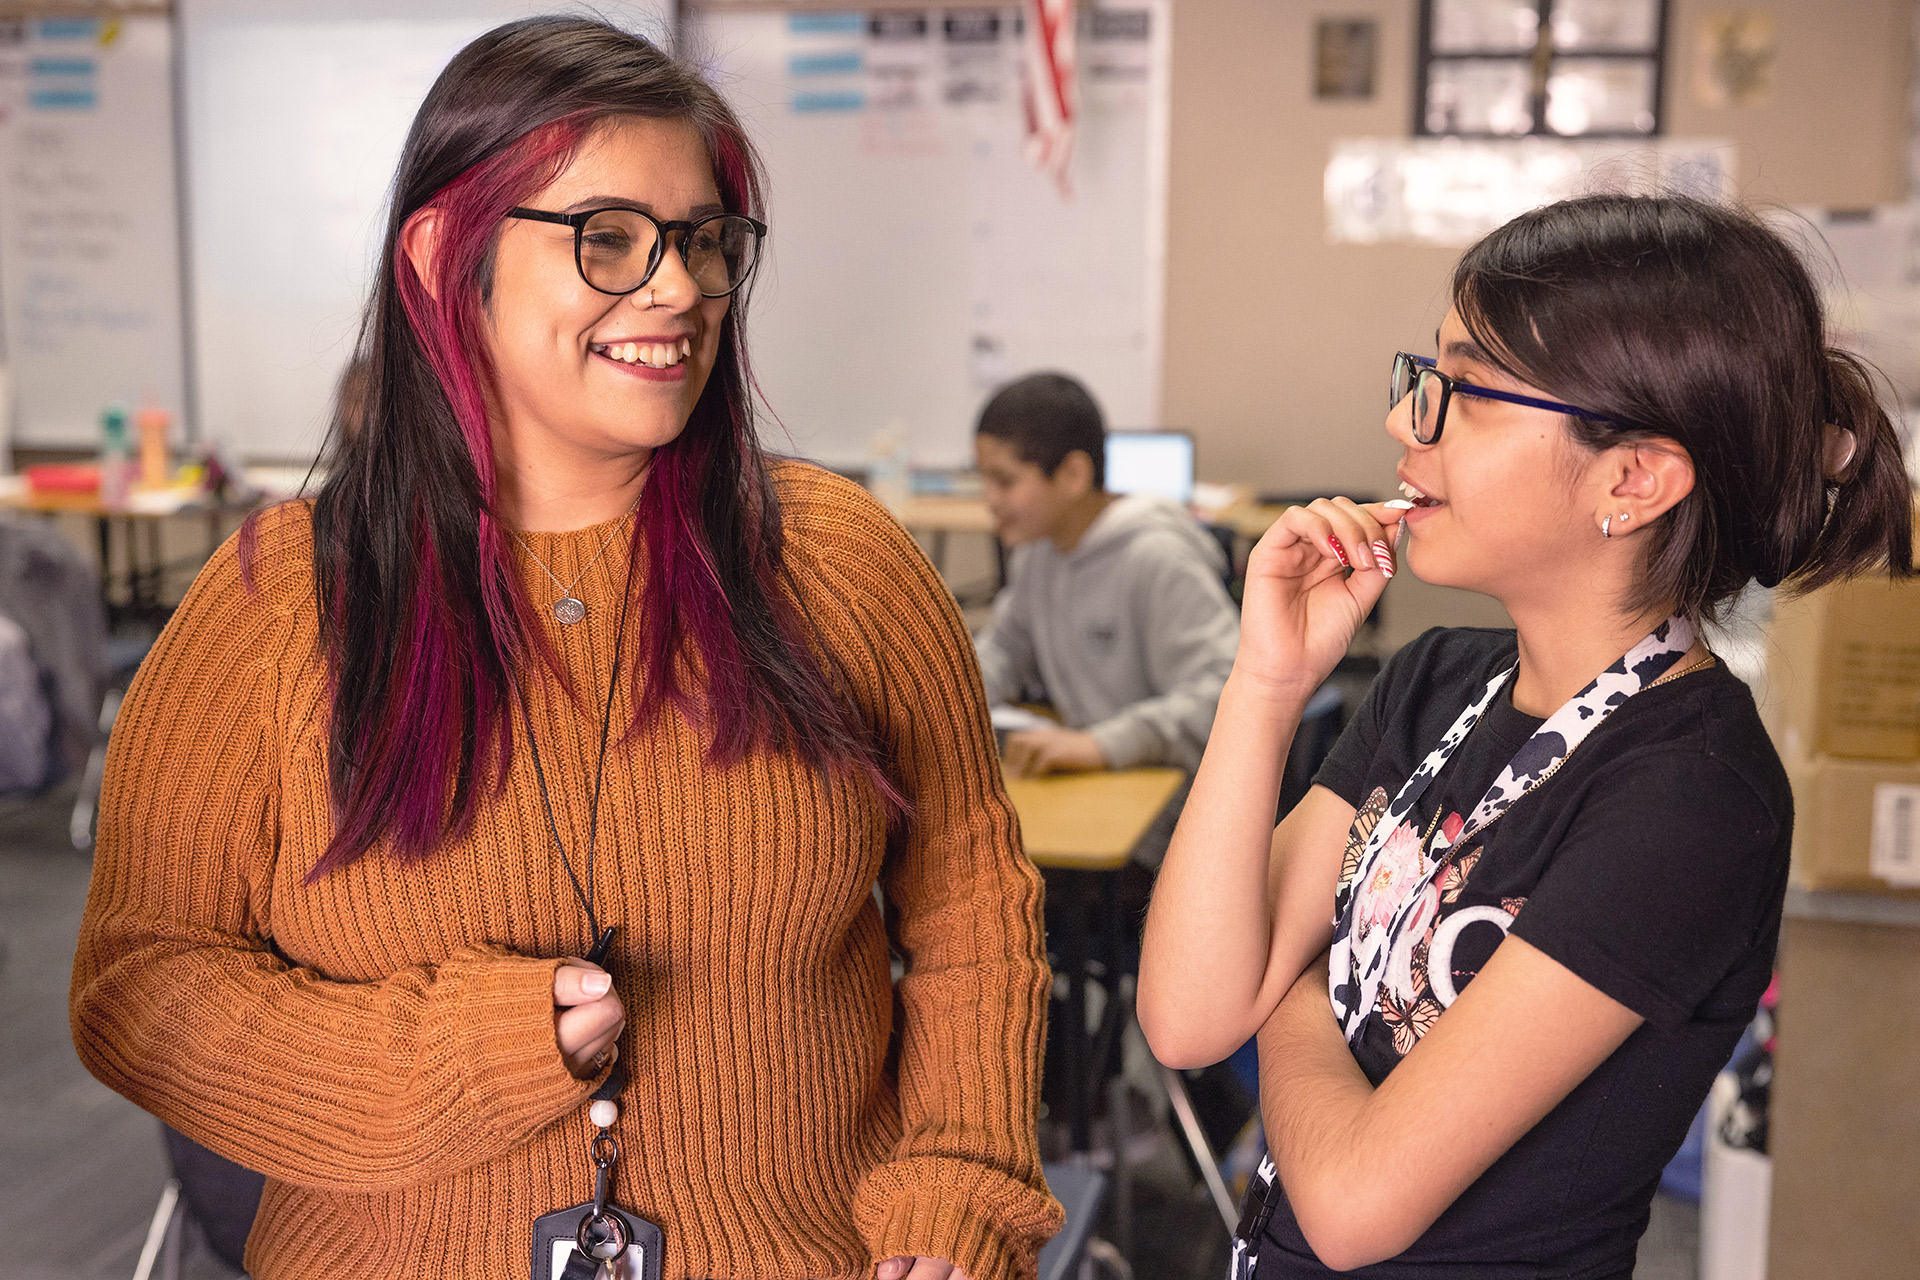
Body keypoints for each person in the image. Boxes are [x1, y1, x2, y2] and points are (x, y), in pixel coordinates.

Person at [70, 18, 1059, 1280]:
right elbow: (141, 984)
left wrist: (962, 1190)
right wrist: (466, 1053)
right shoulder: (276, 605)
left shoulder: (840, 562)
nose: (680, 288)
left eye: (704, 241)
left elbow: (973, 904)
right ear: (444, 254)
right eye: (608, 239)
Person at [1137, 194, 1914, 1277]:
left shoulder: (1694, 796)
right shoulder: (1436, 676)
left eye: (1465, 390)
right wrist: (1265, 684)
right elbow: (1183, 1016)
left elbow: (1360, 1202)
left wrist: (1297, 977)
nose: (1411, 423)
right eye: (1426, 375)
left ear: (1631, 479)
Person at [972, 372, 1240, 778]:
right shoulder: (1037, 555)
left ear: (1073, 476)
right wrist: (943, 699)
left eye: (1004, 481)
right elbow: (1004, 651)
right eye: (984, 479)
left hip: (1166, 782)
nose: (988, 499)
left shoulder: (1158, 558)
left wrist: (1104, 744)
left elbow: (1227, 693)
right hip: (1096, 773)